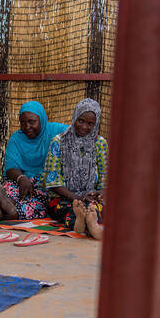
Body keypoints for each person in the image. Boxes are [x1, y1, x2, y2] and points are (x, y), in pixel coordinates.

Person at [0, 100, 70, 222]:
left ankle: (3, 210)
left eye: (32, 122)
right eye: (23, 123)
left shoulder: (55, 131)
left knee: (40, 200)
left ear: (42, 119)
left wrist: (92, 135)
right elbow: (11, 167)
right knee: (11, 188)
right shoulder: (17, 138)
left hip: (45, 182)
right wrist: (22, 178)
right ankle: (7, 205)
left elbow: (76, 131)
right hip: (21, 180)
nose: (27, 127)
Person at [43, 98, 107, 240]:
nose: (84, 127)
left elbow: (105, 177)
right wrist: (77, 198)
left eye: (90, 123)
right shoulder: (58, 142)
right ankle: (81, 223)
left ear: (96, 124)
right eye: (81, 121)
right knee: (67, 209)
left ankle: (89, 222)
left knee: (96, 207)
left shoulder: (100, 144)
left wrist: (99, 194)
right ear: (74, 118)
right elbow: (53, 181)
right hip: (64, 197)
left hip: (90, 197)